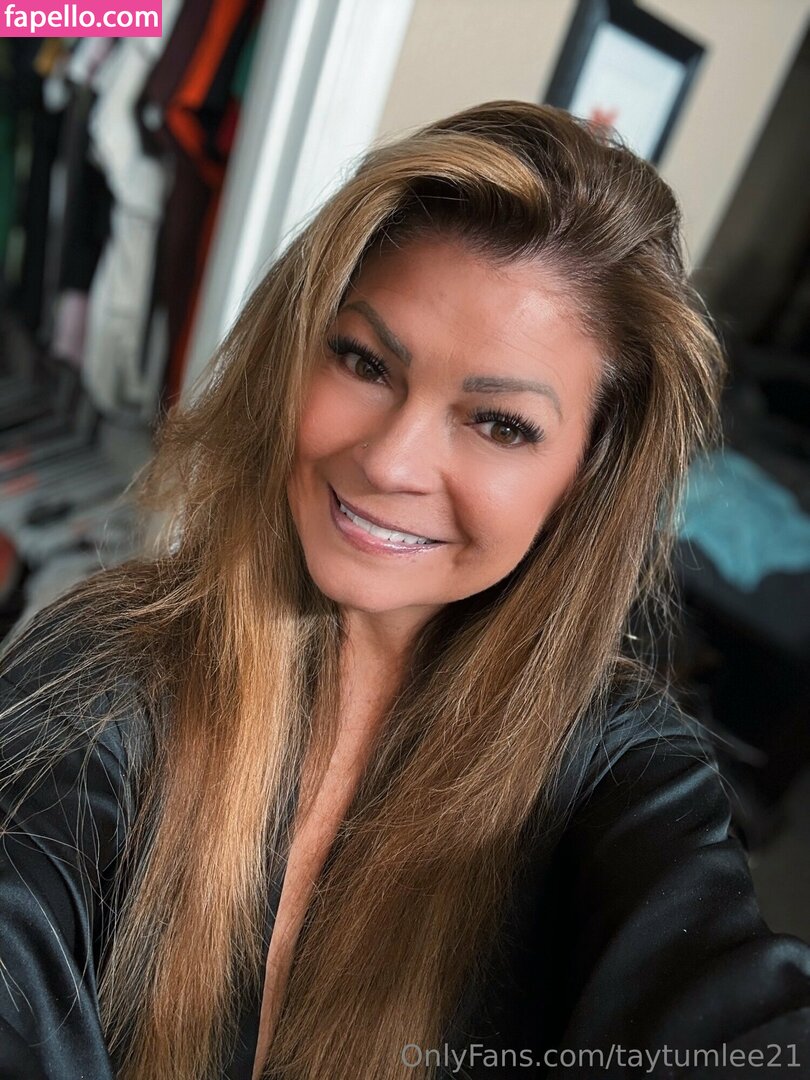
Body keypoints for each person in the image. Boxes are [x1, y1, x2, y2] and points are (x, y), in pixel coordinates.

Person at [1, 100, 809, 1080]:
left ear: (587, 476)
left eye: (499, 424)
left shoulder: (622, 772)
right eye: (365, 362)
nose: (390, 461)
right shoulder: (105, 669)